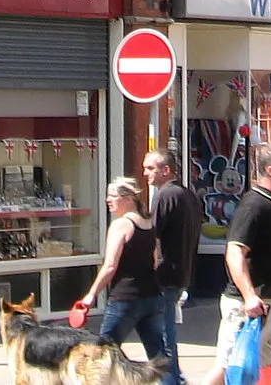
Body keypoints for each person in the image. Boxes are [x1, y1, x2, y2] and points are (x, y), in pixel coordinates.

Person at [200, 141, 271, 385]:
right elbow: (234, 251)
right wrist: (249, 296)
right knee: (227, 369)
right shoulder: (254, 205)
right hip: (249, 307)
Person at [80, 177, 165, 363]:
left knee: (102, 353)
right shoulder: (149, 224)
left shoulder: (121, 225)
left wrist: (91, 294)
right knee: (158, 356)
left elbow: (110, 266)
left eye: (113, 196)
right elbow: (156, 261)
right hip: (152, 296)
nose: (108, 200)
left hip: (125, 299)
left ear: (128, 199)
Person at [144, 149, 203, 385]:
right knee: (162, 329)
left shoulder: (164, 196)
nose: (145, 173)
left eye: (150, 168)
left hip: (166, 274)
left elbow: (153, 237)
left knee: (164, 332)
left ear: (165, 170)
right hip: (183, 272)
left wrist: (149, 264)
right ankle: (174, 376)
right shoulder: (188, 195)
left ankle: (171, 380)